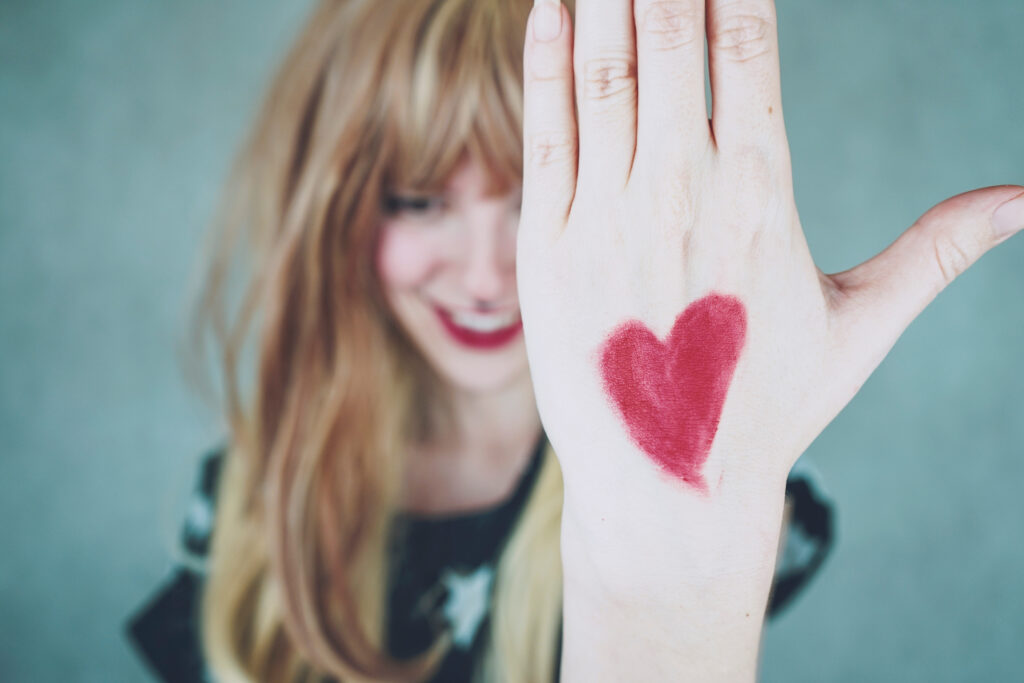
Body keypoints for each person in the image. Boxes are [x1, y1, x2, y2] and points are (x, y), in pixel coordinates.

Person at [120, 0, 1017, 679]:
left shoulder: (752, 497)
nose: (480, 275)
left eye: (535, 199)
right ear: (339, 212)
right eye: (419, 199)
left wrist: (673, 556)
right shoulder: (242, 507)